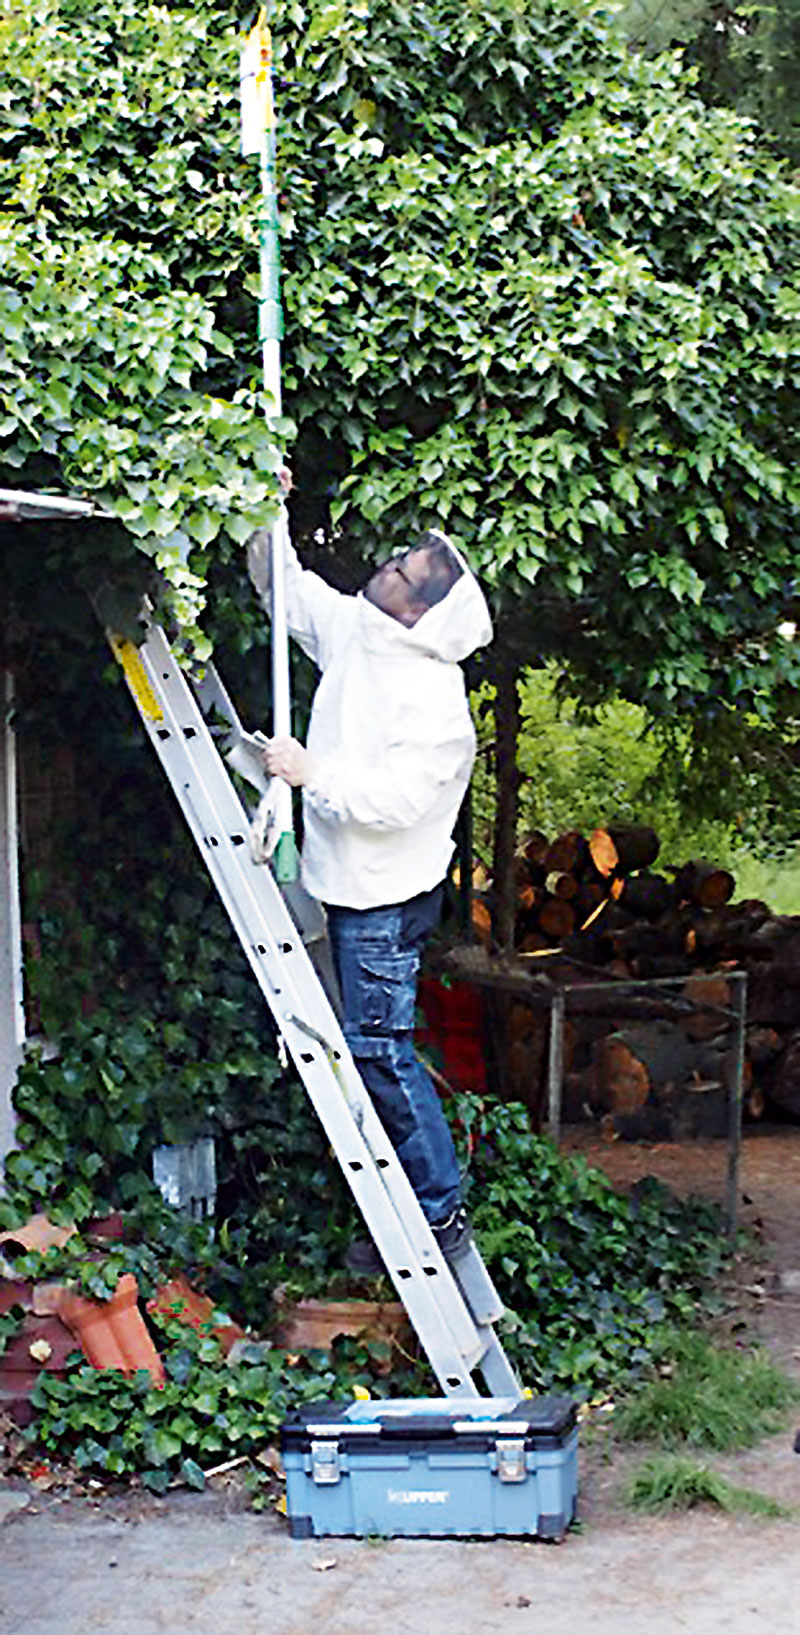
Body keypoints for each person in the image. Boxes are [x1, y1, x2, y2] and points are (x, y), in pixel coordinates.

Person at [247, 515, 493, 1269]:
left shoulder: (436, 701)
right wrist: (269, 511)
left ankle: (438, 1215)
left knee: (379, 1052)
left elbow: (397, 802)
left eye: (405, 572)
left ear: (421, 610)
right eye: (397, 559)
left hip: (386, 896)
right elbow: (283, 591)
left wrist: (309, 773)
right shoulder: (360, 629)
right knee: (369, 1048)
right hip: (342, 881)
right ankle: (419, 1203)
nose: (386, 568)